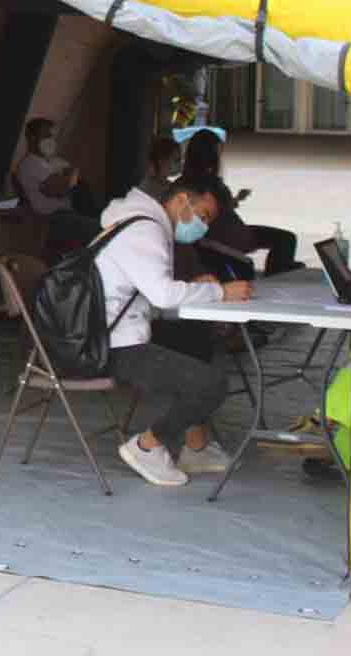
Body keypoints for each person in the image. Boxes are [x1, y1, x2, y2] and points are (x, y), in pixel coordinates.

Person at [97, 174, 252, 486]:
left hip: (115, 332)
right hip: (109, 346)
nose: (203, 227)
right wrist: (221, 292)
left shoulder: (138, 222)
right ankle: (147, 446)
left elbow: (148, 297)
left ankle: (196, 446)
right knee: (211, 384)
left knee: (193, 338)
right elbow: (163, 296)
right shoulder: (145, 230)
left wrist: (193, 288)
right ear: (182, 200)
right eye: (203, 215)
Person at [180, 129, 302, 277]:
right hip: (231, 236)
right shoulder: (209, 182)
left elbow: (220, 207)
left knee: (283, 239)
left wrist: (236, 199)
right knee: (286, 239)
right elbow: (218, 208)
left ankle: (277, 270)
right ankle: (276, 273)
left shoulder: (187, 180)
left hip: (227, 233)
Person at [15, 117, 100, 246]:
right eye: (46, 136)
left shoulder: (51, 161)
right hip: (52, 220)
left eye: (52, 136)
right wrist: (72, 172)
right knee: (99, 232)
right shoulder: (30, 163)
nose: (51, 140)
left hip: (67, 214)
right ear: (32, 138)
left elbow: (76, 180)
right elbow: (59, 190)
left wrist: (69, 174)